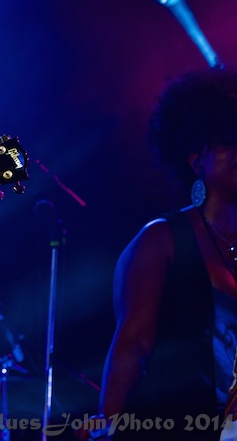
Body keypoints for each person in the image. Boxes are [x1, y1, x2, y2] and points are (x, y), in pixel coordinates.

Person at [96, 67, 237, 439]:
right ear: (196, 162)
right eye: (227, 140)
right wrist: (108, 423)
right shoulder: (162, 239)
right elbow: (134, 341)